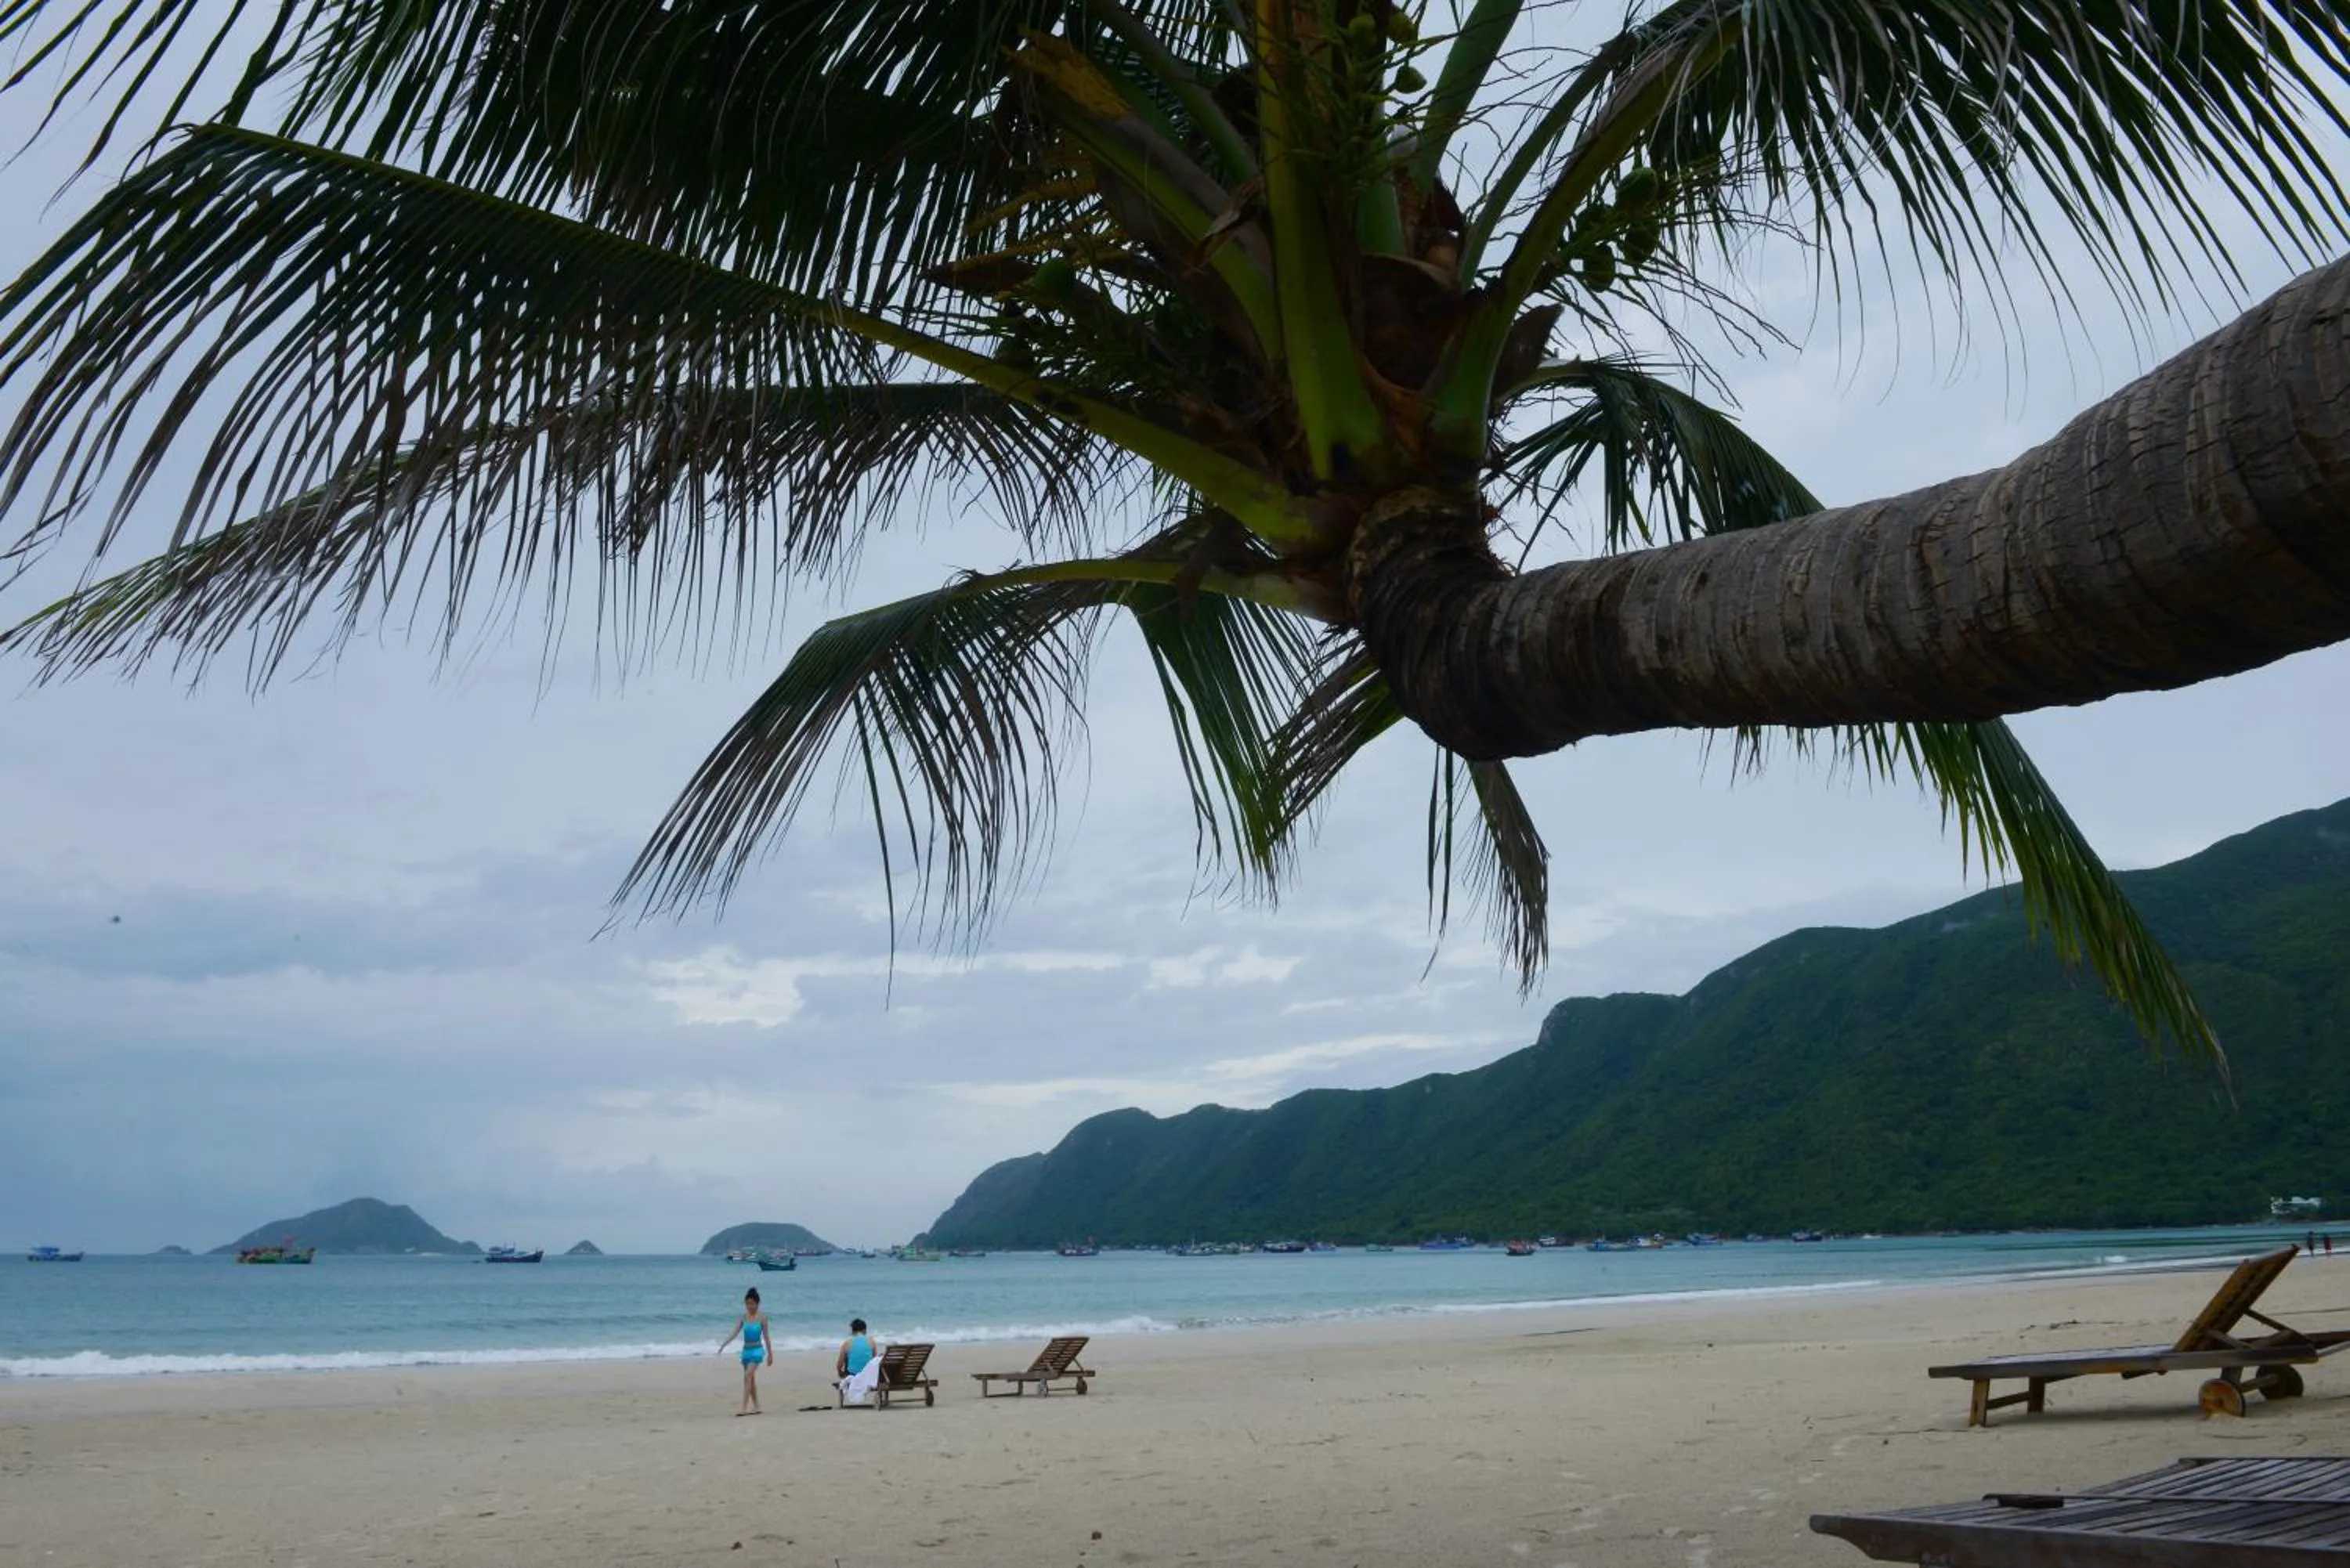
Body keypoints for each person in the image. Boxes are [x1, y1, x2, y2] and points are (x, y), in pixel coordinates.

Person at [718, 1288, 771, 1416]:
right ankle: (757, 1406)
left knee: (747, 1376)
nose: (750, 1306)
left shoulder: (762, 1318)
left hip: (758, 1351)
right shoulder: (743, 1318)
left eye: (752, 1303)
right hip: (746, 1351)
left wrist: (770, 1354)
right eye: (748, 1304)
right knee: (751, 1380)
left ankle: (743, 1408)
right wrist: (724, 1344)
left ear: (757, 1303)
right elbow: (735, 1332)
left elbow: (766, 1337)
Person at [837, 1317, 878, 1382]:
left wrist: (840, 1372)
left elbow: (839, 1365)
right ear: (864, 1330)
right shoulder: (871, 1341)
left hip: (852, 1375)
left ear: (852, 1330)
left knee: (848, 1356)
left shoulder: (847, 1342)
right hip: (868, 1375)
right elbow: (875, 1360)